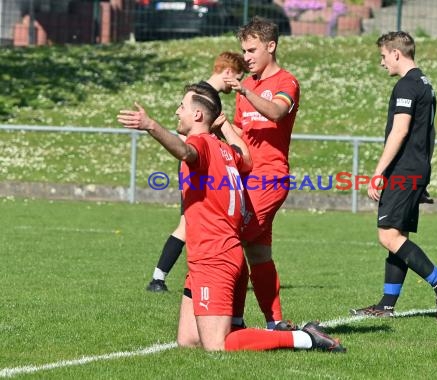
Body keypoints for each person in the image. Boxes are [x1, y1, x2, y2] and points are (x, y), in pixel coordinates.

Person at [117, 83, 345, 353]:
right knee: (189, 340)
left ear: (199, 116)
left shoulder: (199, 144)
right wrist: (224, 126)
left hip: (214, 258)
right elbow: (246, 157)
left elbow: (185, 152)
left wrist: (151, 126)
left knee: (217, 346)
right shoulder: (224, 150)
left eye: (182, 106)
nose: (177, 111)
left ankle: (306, 338)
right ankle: (250, 330)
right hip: (225, 254)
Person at [350, 31, 437, 321]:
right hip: (417, 168)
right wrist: (423, 172)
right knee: (398, 235)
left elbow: (400, 131)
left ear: (396, 54)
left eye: (383, 56)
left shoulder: (406, 86)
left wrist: (378, 173)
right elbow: (430, 133)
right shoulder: (426, 84)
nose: (382, 62)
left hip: (403, 170)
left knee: (387, 236)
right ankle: (386, 304)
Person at [146, 51, 249, 293]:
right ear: (227, 72)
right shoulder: (204, 95)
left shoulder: (205, 93)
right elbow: (190, 137)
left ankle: (164, 278)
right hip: (197, 165)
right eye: (237, 77)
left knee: (190, 223)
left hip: (202, 161)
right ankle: (159, 278)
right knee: (189, 222)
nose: (237, 84)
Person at [223, 17, 300, 330]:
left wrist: (244, 90)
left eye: (252, 50)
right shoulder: (249, 86)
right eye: (244, 50)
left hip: (271, 178)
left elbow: (277, 112)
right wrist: (219, 127)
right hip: (247, 177)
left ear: (272, 46)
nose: (247, 57)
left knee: (232, 237)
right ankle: (275, 322)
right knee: (258, 252)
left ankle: (234, 320)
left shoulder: (286, 82)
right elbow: (240, 133)